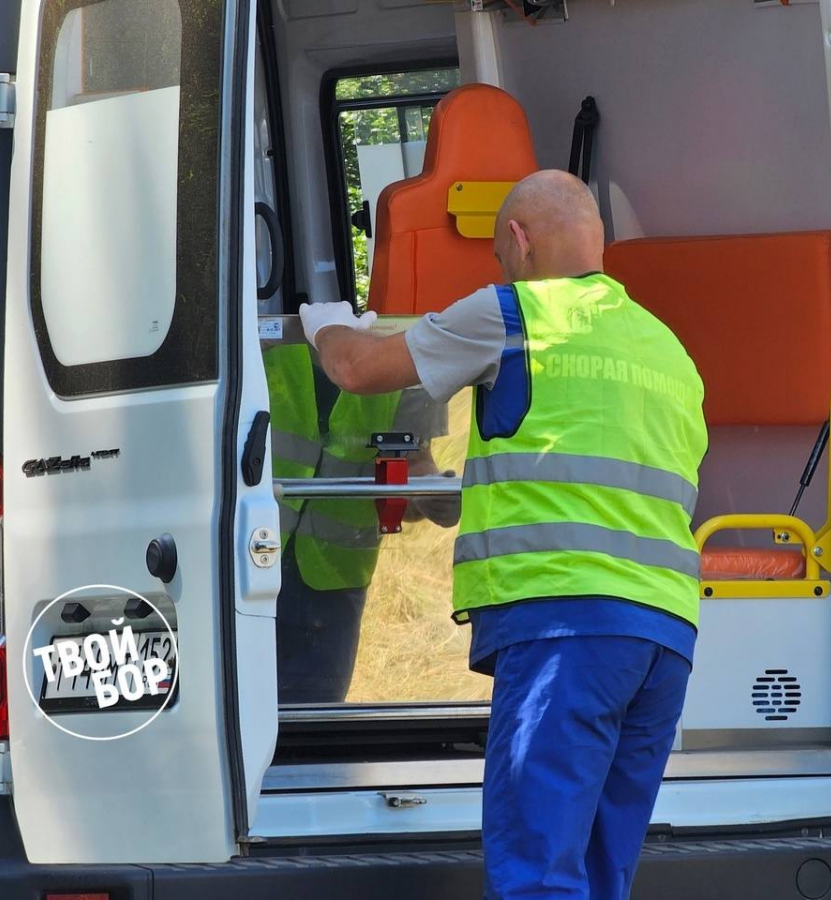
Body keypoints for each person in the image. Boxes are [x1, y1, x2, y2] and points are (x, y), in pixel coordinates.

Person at [296, 169, 708, 900]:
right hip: (665, 639)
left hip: (566, 628)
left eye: (496, 253)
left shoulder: (513, 314)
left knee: (537, 877)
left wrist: (324, 321)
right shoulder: (666, 346)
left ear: (517, 241)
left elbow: (358, 369)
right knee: (598, 875)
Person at [265, 341, 457, 703]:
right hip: (241, 570)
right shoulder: (260, 334)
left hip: (333, 588)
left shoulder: (413, 354)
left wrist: (431, 495)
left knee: (313, 733)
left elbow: (409, 466)